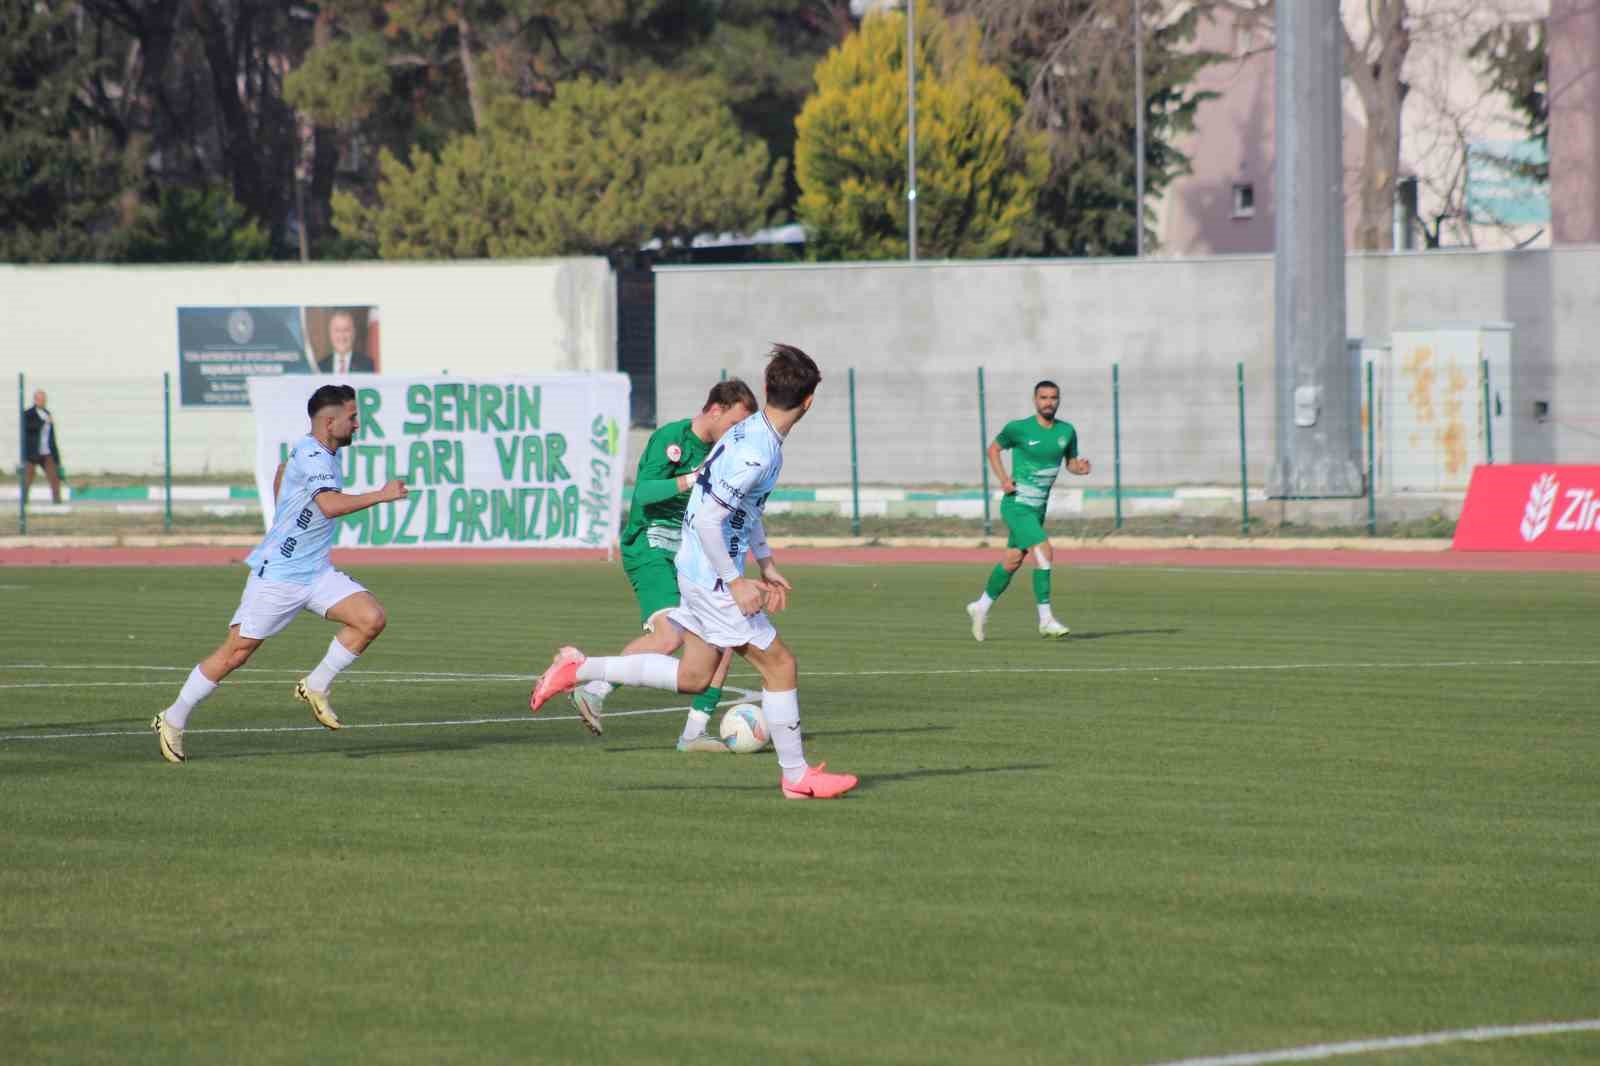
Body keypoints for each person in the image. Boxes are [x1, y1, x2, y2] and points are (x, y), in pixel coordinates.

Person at [530, 344, 857, 800]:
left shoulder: (749, 435)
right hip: (713, 575)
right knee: (780, 664)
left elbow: (742, 510)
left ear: (766, 389)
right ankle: (797, 776)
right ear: (809, 401)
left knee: (694, 677)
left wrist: (765, 562)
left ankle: (580, 668)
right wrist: (737, 579)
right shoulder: (758, 451)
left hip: (696, 568)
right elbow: (708, 518)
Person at [150, 384, 407, 763]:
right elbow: (330, 505)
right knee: (235, 653)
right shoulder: (315, 455)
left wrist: (284, 511)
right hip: (279, 577)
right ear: (329, 421)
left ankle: (315, 685)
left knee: (370, 618)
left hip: (315, 573)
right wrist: (381, 495)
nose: (357, 424)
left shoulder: (318, 452)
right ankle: (171, 718)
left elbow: (283, 472)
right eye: (352, 417)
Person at [570, 378, 760, 751]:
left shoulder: (726, 452)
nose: (737, 433)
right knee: (669, 636)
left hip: (690, 553)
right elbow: (643, 492)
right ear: (715, 410)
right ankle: (593, 688)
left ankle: (693, 734)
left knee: (726, 635)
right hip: (651, 545)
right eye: (735, 424)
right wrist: (693, 478)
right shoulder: (670, 439)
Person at [965, 380, 1091, 642]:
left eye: (1053, 397)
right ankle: (1045, 620)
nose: (1048, 402)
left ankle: (981, 605)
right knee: (1044, 551)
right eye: (1043, 397)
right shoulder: (1019, 429)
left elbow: (1070, 463)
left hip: (1037, 509)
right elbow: (993, 450)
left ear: (1059, 400)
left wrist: (1080, 468)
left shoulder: (1067, 431)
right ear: (1035, 400)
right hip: (1016, 504)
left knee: (1013, 560)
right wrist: (1003, 479)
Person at [21, 389, 64, 504]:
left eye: (44, 399)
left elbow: (52, 437)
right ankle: (24, 502)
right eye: (40, 399)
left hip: (47, 452)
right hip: (33, 452)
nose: (43, 401)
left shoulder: (47, 413)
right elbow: (29, 428)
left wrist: (57, 456)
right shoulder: (28, 414)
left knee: (54, 477)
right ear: (35, 400)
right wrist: (43, 421)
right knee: (28, 478)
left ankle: (57, 501)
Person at [319, 311, 375, 375]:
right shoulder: (320, 367)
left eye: (346, 330)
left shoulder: (367, 365)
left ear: (354, 333)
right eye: (337, 330)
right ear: (330, 334)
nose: (341, 335)